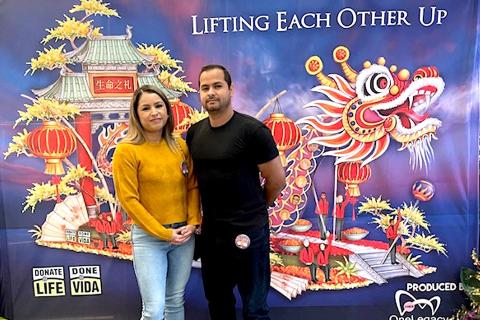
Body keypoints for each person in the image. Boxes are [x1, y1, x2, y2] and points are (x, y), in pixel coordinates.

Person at [186, 65, 286, 320]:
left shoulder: (253, 131)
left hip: (249, 232)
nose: (211, 92)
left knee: (255, 309)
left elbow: (277, 180)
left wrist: (258, 206)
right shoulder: (195, 133)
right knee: (218, 305)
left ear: (230, 89)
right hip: (213, 236)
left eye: (217, 86)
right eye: (205, 88)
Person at [113, 85, 201, 320]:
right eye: (146, 108)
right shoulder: (126, 151)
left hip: (184, 235)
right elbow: (129, 200)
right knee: (153, 310)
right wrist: (163, 233)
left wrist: (192, 223)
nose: (154, 112)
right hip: (149, 238)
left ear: (167, 110)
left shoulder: (180, 146)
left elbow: (192, 186)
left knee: (175, 302)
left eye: (159, 105)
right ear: (136, 114)